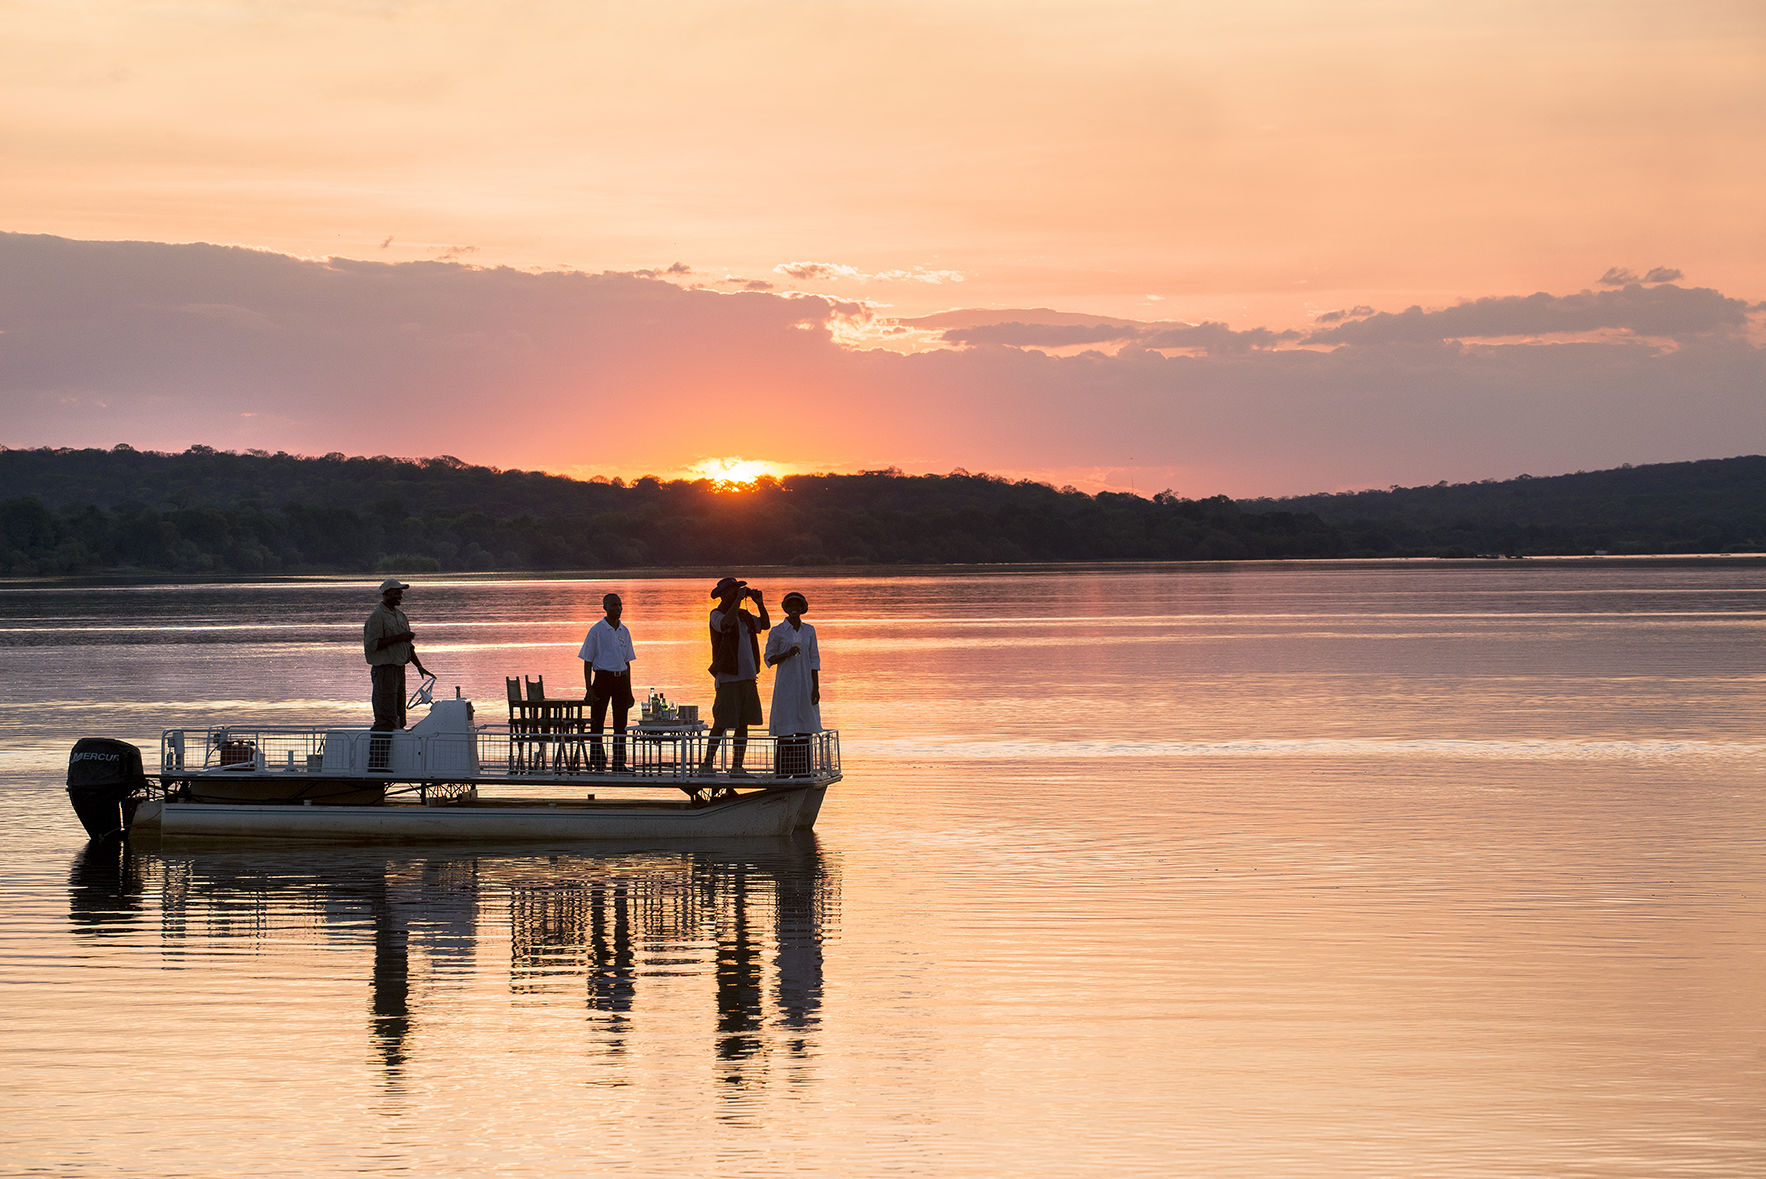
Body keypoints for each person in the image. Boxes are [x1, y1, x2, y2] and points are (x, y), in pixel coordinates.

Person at [700, 576, 769, 777]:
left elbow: (764, 625)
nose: (736, 594)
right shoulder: (716, 614)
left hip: (748, 677)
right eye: (732, 591)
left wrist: (760, 604)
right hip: (728, 676)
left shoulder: (745, 616)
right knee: (721, 722)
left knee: (743, 723)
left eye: (737, 590)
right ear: (723, 595)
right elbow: (725, 624)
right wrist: (738, 600)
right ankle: (706, 764)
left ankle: (737, 767)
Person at [363, 579, 430, 768]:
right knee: (385, 718)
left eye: (401, 592)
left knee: (399, 717)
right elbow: (373, 645)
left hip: (399, 671)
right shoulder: (377, 617)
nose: (400, 595)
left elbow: (408, 646)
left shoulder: (400, 616)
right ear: (386, 593)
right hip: (384, 670)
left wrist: (419, 665)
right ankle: (376, 765)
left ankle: (392, 762)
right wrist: (400, 637)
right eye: (396, 592)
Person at [765, 591, 822, 777]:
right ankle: (782, 773)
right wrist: (786, 654)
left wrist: (816, 687)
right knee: (786, 727)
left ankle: (803, 772)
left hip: (806, 684)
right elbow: (769, 658)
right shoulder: (777, 631)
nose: (794, 609)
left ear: (803, 608)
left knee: (805, 727)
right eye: (791, 606)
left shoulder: (809, 631)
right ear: (786, 609)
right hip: (786, 686)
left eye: (798, 606)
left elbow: (814, 660)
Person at [579, 592, 637, 772]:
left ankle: (619, 763)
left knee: (621, 724)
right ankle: (598, 762)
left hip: (621, 680)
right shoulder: (596, 630)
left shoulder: (624, 631)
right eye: (613, 605)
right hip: (602, 679)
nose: (618, 608)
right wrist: (589, 689)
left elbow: (627, 662)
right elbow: (587, 660)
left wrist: (629, 690)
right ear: (605, 607)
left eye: (620, 605)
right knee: (598, 723)